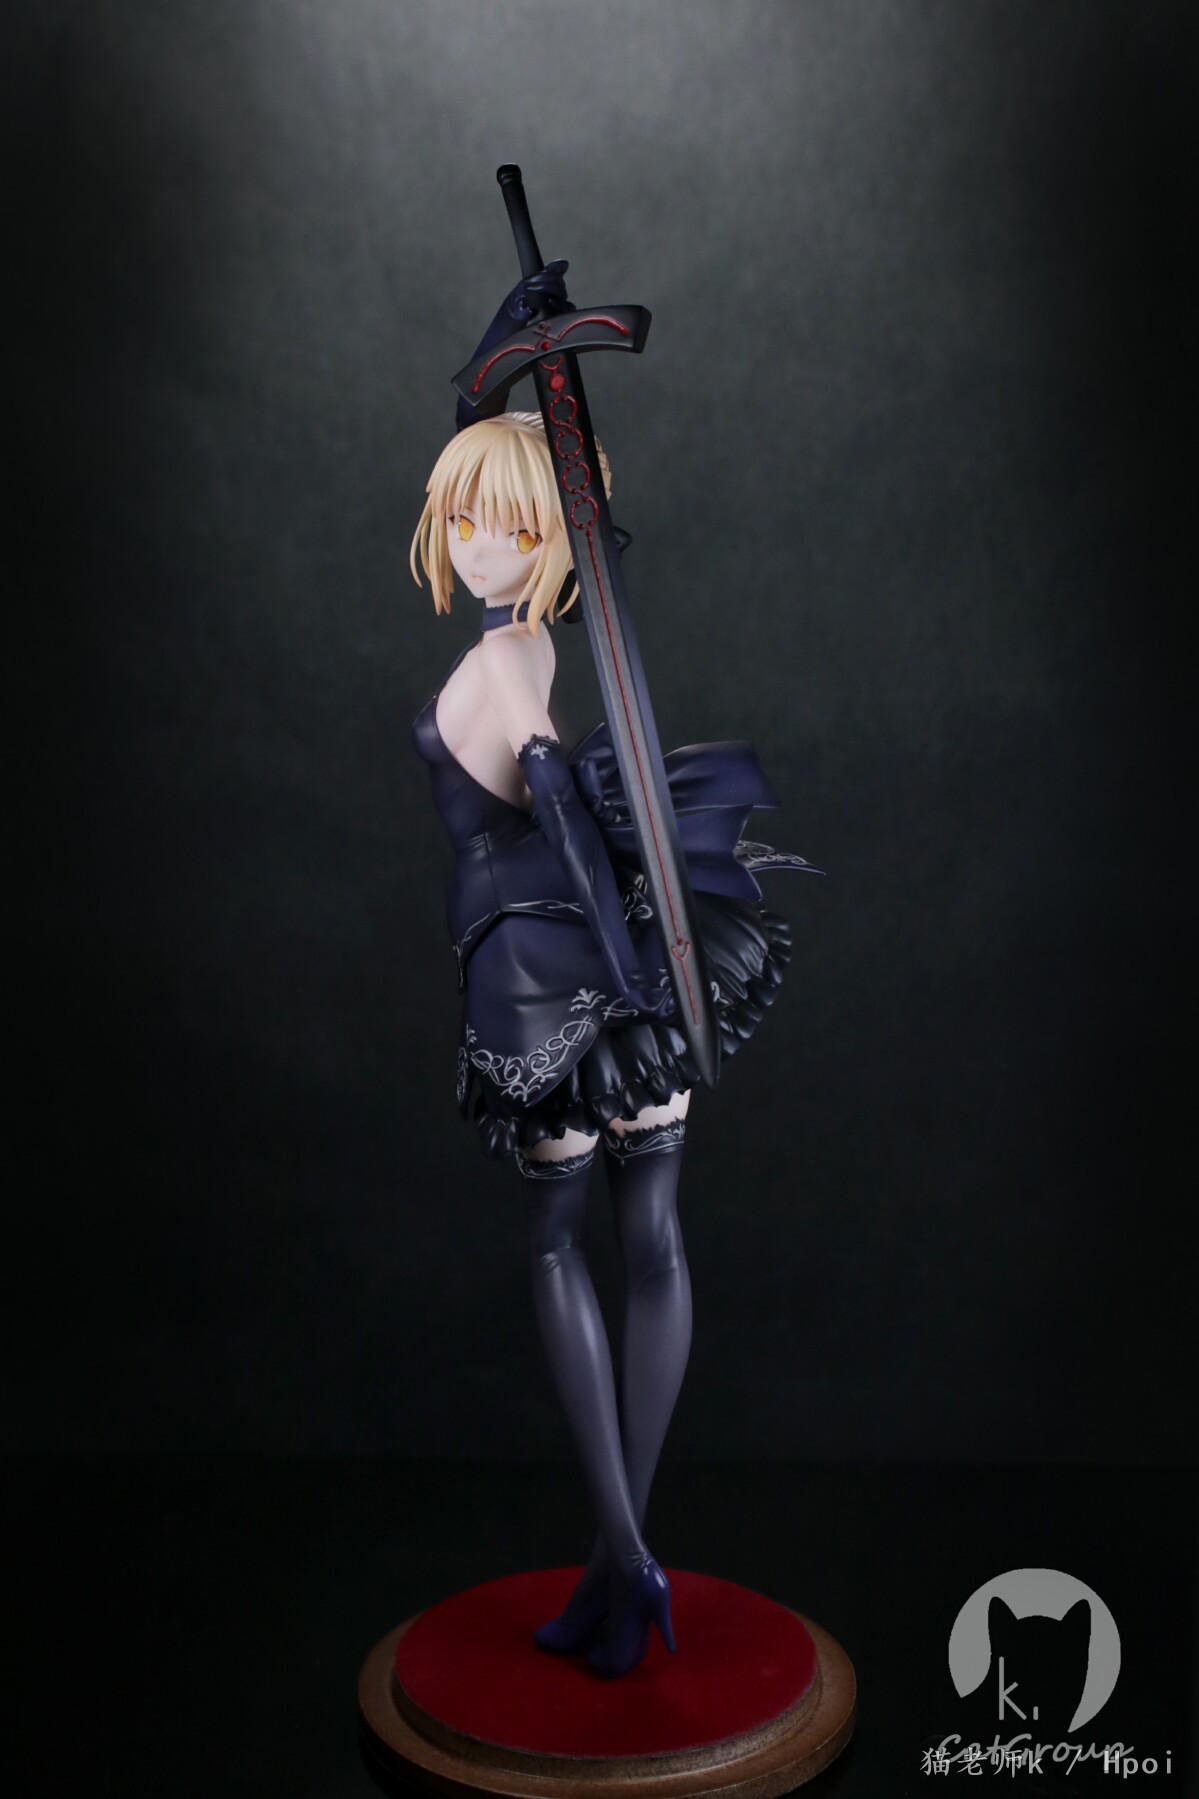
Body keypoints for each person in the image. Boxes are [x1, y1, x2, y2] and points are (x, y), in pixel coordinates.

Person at [410, 371, 812, 1678]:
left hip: (546, 969)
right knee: (647, 1240)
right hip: (608, 954)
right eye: (464, 516)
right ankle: (620, 1558)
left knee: (564, 1245)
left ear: (559, 541)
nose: (481, 544)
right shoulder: (526, 645)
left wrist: (633, 969)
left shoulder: (504, 661)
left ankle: (626, 1556)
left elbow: (560, 807)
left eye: (516, 524)